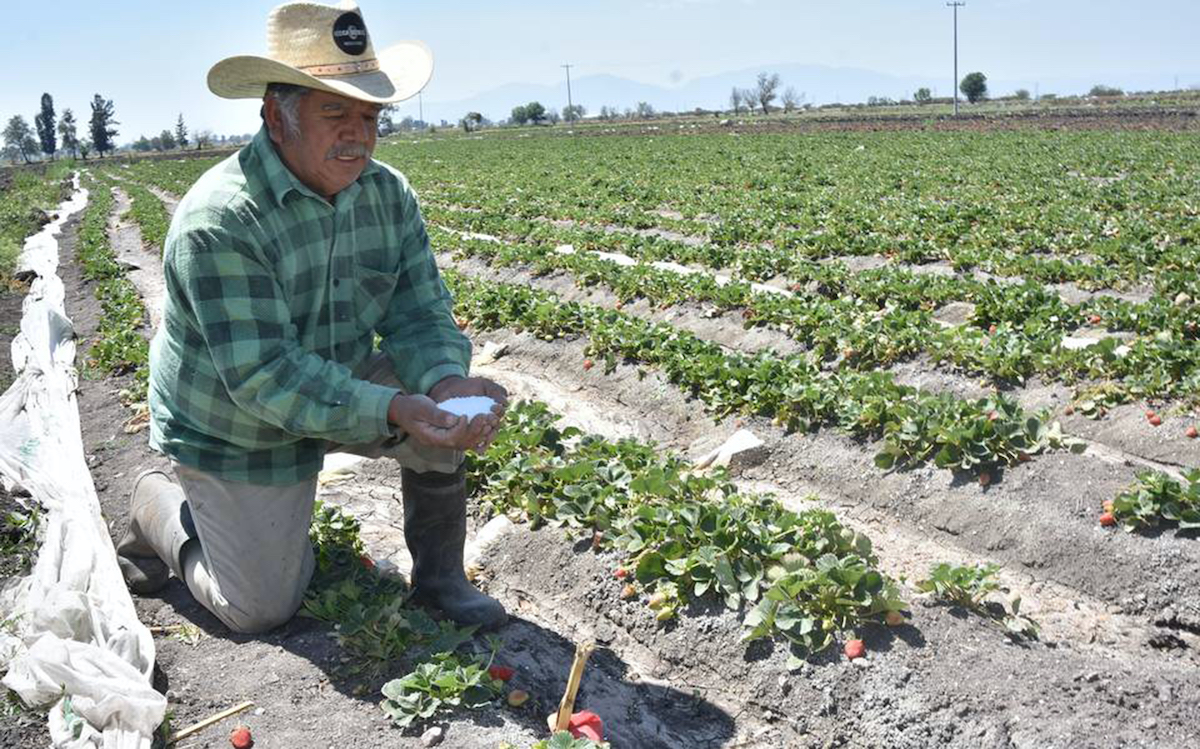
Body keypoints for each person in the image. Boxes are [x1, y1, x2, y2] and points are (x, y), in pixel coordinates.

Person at [116, 0, 509, 634]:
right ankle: (158, 506)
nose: (357, 133)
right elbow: (264, 375)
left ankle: (440, 580)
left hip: (337, 372)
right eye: (335, 112)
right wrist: (387, 407)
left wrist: (442, 384)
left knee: (439, 419)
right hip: (233, 419)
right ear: (276, 117)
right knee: (259, 609)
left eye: (369, 114)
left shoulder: (386, 195)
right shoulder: (219, 221)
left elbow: (420, 312)